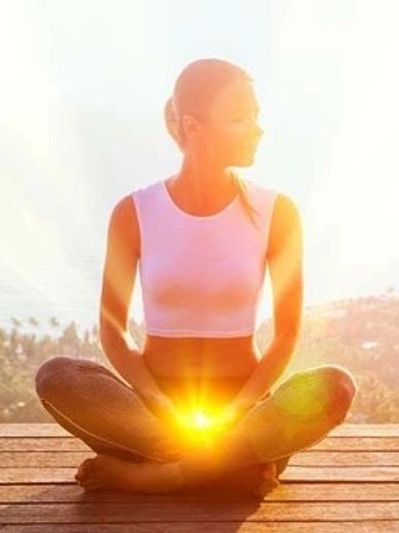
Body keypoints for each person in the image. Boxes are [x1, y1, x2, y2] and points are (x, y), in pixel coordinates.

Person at [34, 57, 358, 497]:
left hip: (243, 412)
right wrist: (158, 401)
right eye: (241, 118)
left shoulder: (277, 213)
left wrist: (240, 409)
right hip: (156, 412)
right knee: (56, 376)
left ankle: (162, 475)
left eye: (256, 116)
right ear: (194, 127)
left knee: (335, 386)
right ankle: (230, 470)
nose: (258, 129)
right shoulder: (134, 212)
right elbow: (111, 327)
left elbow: (287, 334)